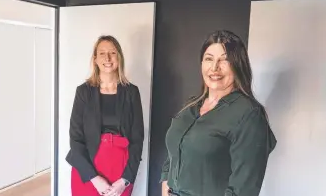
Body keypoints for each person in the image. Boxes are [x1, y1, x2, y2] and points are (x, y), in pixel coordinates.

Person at [160, 30, 277, 196]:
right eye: (209, 59)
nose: (214, 67)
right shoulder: (191, 105)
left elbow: (244, 189)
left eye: (225, 60)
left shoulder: (249, 114)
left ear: (238, 65)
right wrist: (166, 188)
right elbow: (173, 155)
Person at [66, 35, 144, 196]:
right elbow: (75, 138)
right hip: (87, 169)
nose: (107, 58)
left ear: (119, 57)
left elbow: (137, 139)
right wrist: (94, 178)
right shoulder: (83, 92)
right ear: (95, 59)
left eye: (112, 53)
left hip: (121, 171)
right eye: (102, 53)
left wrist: (126, 179)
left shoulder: (131, 92)